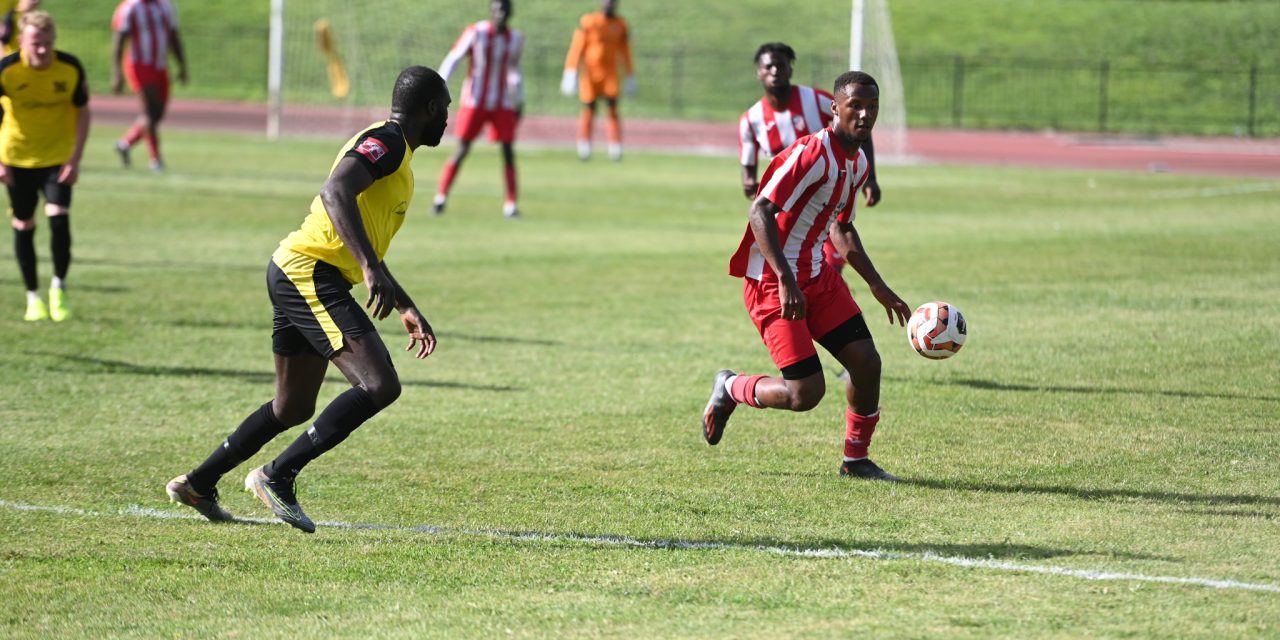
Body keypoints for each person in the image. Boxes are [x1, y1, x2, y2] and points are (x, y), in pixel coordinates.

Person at [165, 66, 451, 533]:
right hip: (309, 271)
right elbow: (335, 190)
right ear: (430, 109)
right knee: (379, 385)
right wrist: (369, 268)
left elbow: (365, 240)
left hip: (301, 270)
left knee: (293, 406)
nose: (449, 120)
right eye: (447, 108)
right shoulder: (389, 140)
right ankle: (277, 476)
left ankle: (198, 483)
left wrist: (404, 303)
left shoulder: (399, 157)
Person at [704, 71, 911, 481]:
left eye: (872, 106)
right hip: (772, 281)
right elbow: (759, 210)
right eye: (856, 105)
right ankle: (730, 387)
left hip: (817, 276)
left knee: (867, 364)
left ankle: (856, 461)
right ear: (835, 108)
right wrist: (785, 279)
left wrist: (877, 285)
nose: (865, 114)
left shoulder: (858, 162)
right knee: (805, 394)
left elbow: (843, 227)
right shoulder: (810, 154)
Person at [739, 42, 881, 273]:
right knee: (805, 272)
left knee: (831, 268)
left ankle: (834, 295)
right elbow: (748, 170)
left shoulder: (815, 100)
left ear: (790, 70)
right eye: (769, 66)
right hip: (788, 209)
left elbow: (859, 128)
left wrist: (870, 177)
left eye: (781, 66)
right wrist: (749, 182)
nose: (775, 71)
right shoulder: (751, 119)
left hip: (826, 200)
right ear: (759, 72)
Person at [0, 10, 90, 323]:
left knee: (59, 219)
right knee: (24, 224)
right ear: (22, 41)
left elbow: (83, 112)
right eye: (36, 43)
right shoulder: (7, 70)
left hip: (57, 159)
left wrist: (75, 159)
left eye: (48, 43)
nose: (42, 50)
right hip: (16, 158)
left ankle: (58, 288)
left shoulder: (69, 67)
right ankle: (32, 297)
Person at [432, 0, 523, 219]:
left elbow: (514, 69)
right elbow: (454, 57)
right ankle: (440, 198)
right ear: (491, 11)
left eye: (504, 10)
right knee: (462, 149)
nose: (500, 14)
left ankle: (511, 204)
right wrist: (438, 85)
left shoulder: (515, 39)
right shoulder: (476, 32)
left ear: (510, 12)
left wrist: (519, 97)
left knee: (508, 151)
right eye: (496, 10)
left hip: (501, 102)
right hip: (474, 101)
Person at [110, 0, 186, 172]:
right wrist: (117, 74)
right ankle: (155, 160)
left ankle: (125, 144)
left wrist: (182, 65)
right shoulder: (130, 8)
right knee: (149, 112)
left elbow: (174, 36)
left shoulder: (166, 6)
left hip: (160, 66)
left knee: (158, 113)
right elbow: (119, 41)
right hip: (139, 65)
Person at [560, 0, 633, 161]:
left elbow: (625, 51)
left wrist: (630, 74)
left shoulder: (621, 24)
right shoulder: (589, 21)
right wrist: (570, 70)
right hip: (590, 72)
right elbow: (577, 46)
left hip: (610, 73)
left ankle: (615, 145)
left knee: (612, 109)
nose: (609, 4)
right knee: (588, 109)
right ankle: (584, 144)